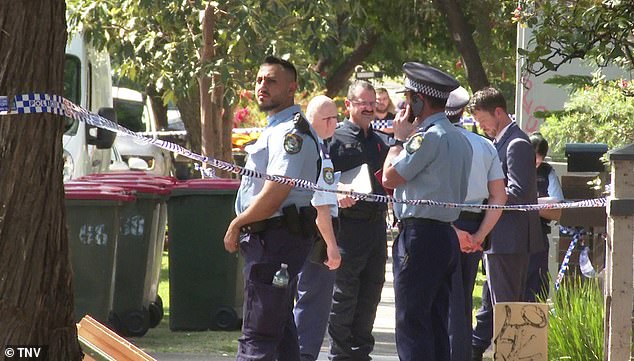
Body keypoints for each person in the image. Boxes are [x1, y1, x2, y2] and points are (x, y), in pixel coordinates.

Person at [224, 56, 321, 360]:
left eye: (271, 81)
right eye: (259, 80)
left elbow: (276, 191)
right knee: (280, 333)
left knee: (259, 334)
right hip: (274, 240)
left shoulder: (292, 133)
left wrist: (237, 222)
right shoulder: (276, 128)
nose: (262, 86)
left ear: (292, 88)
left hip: (276, 240)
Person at [382, 62, 472, 361]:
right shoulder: (460, 139)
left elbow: (389, 178)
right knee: (435, 321)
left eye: (409, 98)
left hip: (420, 236)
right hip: (444, 235)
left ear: (420, 99)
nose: (406, 105)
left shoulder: (427, 137)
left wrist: (397, 140)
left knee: (412, 322)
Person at [468, 87, 543, 361]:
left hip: (510, 240)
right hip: (500, 240)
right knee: (497, 308)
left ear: (498, 112)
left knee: (509, 309)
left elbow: (520, 192)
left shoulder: (516, 143)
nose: (482, 126)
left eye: (483, 120)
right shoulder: (502, 142)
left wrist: (486, 195)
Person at [327, 80, 389, 360]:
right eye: (362, 102)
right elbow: (321, 179)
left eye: (371, 102)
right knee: (344, 295)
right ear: (348, 105)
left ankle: (361, 353)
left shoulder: (379, 143)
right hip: (348, 228)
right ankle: (340, 354)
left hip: (376, 228)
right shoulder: (335, 139)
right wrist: (336, 190)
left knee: (371, 293)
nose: (368, 107)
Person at [444, 87, 507, 361]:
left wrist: (452, 231)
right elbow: (499, 195)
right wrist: (480, 234)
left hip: (442, 222)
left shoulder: (434, 143)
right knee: (463, 298)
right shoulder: (484, 145)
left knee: (441, 298)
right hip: (475, 224)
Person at [293, 95, 342, 361]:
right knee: (313, 304)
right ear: (312, 119)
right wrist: (332, 248)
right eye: (327, 118)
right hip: (317, 235)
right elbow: (321, 208)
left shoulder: (314, 146)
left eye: (336, 117)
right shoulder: (320, 153)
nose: (333, 123)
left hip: (305, 230)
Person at [525, 132, 564, 302]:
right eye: (534, 157)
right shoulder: (511, 165)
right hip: (515, 233)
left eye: (540, 159)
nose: (537, 163)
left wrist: (527, 202)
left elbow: (556, 206)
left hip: (539, 233)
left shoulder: (547, 172)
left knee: (537, 281)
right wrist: (540, 204)